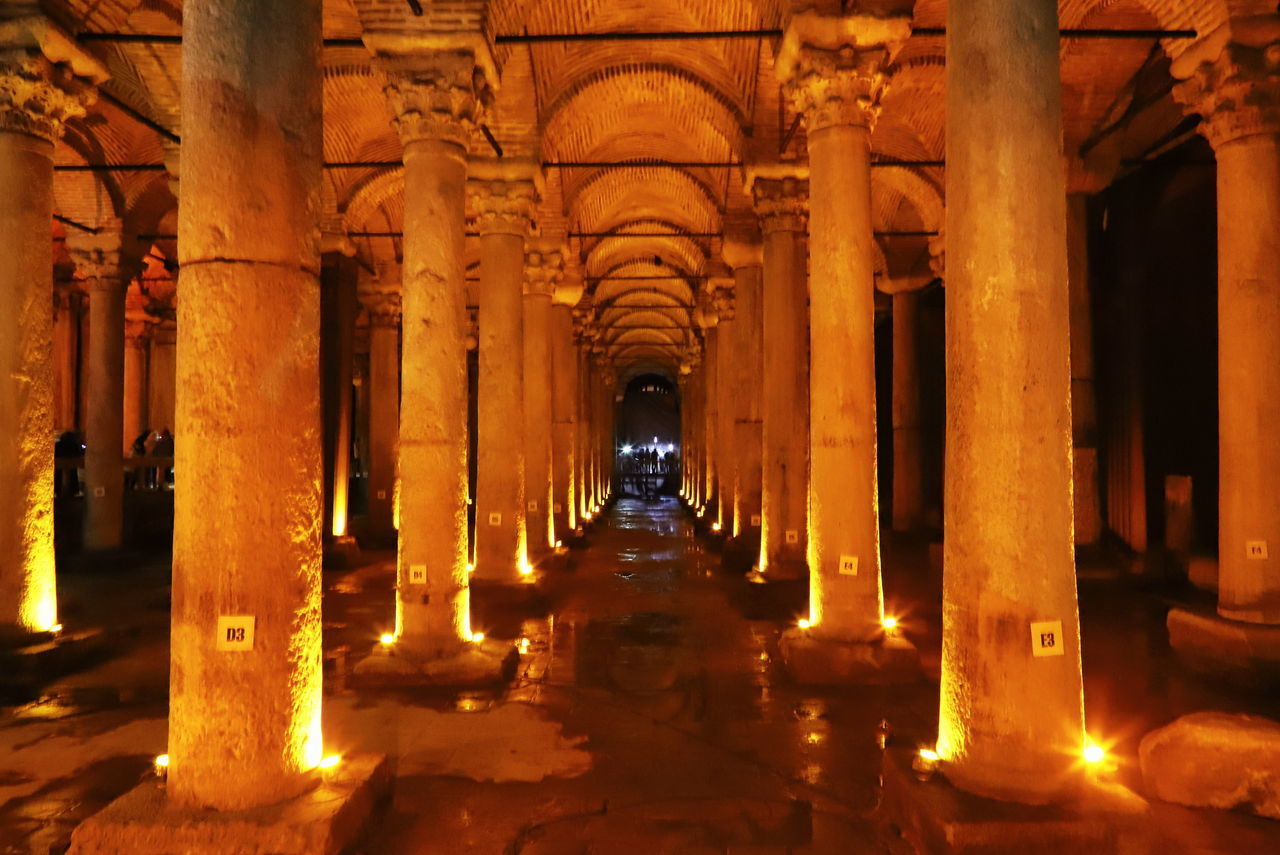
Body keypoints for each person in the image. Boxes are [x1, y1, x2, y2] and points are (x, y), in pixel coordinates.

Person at [54, 430, 85, 497]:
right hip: (72, 464)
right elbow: (79, 454)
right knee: (73, 474)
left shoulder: (58, 444)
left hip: (59, 464)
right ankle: (73, 491)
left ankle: (57, 491)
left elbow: (55, 454)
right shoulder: (74, 445)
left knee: (58, 476)